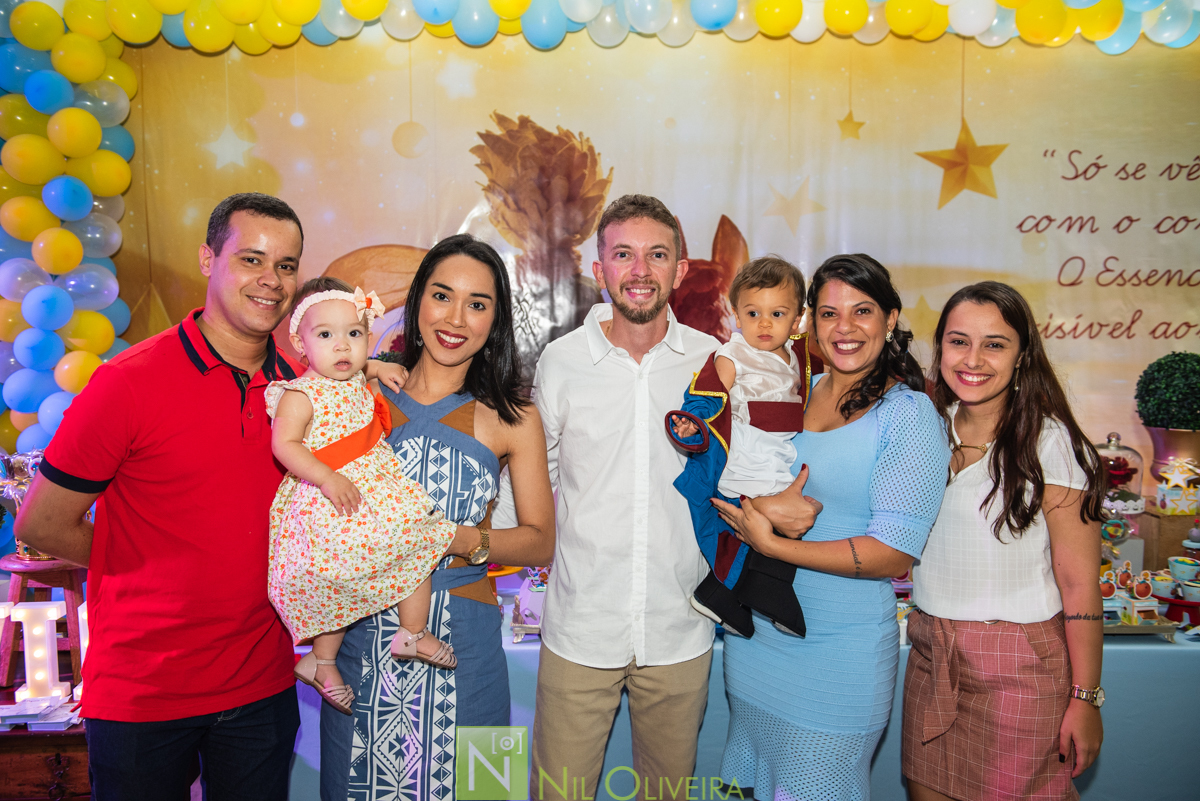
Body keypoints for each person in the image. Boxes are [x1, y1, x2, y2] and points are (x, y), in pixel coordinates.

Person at [14, 193, 408, 801]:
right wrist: (150, 564)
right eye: (251, 259)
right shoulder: (130, 381)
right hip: (145, 692)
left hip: (262, 687)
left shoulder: (304, 387)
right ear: (207, 258)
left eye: (285, 265)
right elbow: (41, 523)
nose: (270, 281)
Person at [318, 234, 555, 801]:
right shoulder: (356, 395)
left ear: (495, 321)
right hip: (361, 643)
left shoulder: (513, 416)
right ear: (417, 301)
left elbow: (540, 543)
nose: (456, 318)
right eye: (442, 296)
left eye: (478, 304)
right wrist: (365, 369)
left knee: (478, 793)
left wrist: (455, 538)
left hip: (467, 649)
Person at [711, 254, 950, 800]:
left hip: (837, 658)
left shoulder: (908, 413)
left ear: (890, 319)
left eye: (862, 311)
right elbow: (732, 468)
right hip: (757, 641)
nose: (844, 328)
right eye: (828, 313)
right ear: (808, 323)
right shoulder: (793, 387)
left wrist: (771, 541)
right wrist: (761, 511)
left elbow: (893, 555)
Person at [529, 194, 723, 800]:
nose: (640, 271)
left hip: (680, 628)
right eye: (623, 255)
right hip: (580, 627)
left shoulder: (713, 363)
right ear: (600, 270)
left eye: (656, 255)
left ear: (680, 270)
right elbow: (543, 481)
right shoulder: (561, 363)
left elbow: (732, 477)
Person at [902, 282, 1105, 801]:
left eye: (994, 344)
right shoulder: (925, 429)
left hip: (1020, 667)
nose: (973, 359)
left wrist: (1085, 698)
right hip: (930, 653)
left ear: (1022, 356)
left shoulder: (1050, 441)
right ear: (939, 348)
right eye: (957, 341)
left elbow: (1080, 583)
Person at [267, 278, 462, 717]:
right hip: (329, 499)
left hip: (376, 492)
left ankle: (410, 632)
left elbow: (356, 368)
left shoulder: (355, 371)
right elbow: (285, 446)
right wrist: (326, 478)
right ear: (300, 343)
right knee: (334, 578)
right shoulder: (299, 394)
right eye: (326, 336)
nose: (342, 348)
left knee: (419, 539)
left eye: (354, 335)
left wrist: (378, 367)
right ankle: (323, 660)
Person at [667, 256, 818, 638]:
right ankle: (764, 593)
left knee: (781, 527)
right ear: (735, 314)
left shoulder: (795, 359)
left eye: (777, 313)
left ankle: (725, 597)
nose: (764, 323)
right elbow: (704, 397)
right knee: (769, 527)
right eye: (753, 313)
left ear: (797, 318)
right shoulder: (733, 354)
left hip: (776, 457)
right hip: (746, 461)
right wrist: (692, 422)